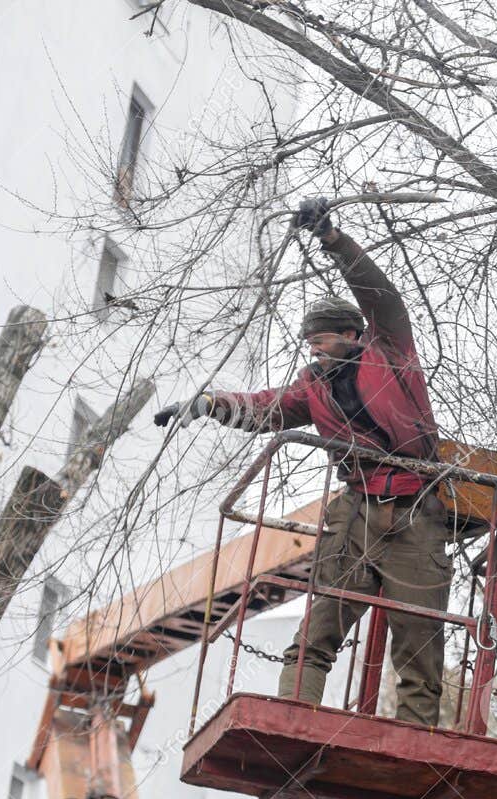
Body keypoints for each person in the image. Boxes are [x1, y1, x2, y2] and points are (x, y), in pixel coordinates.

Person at [154, 197, 451, 725]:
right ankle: (295, 716)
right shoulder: (313, 385)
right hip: (357, 514)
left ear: (353, 334)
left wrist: (333, 240)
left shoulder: (392, 351)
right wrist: (207, 405)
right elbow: (267, 409)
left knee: (418, 638)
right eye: (310, 344)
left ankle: (415, 738)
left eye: (323, 340)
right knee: (319, 628)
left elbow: (381, 294)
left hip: (415, 511)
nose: (315, 351)